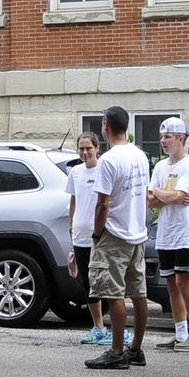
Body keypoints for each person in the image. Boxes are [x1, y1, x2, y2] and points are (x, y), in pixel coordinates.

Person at [84, 107, 150, 370]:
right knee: (139, 293)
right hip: (137, 231)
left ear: (105, 126)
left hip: (115, 232)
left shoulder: (109, 160)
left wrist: (97, 233)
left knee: (114, 294)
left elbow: (103, 204)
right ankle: (136, 348)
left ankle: (116, 351)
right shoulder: (140, 155)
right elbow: (143, 193)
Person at [149, 117, 189, 351]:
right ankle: (181, 333)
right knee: (171, 284)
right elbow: (152, 200)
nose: (163, 141)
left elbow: (176, 195)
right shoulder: (161, 167)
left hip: (185, 233)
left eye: (168, 137)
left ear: (181, 139)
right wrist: (166, 195)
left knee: (184, 282)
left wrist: (161, 194)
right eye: (162, 137)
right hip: (166, 233)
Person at [64, 134, 109, 345]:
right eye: (81, 149)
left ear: (97, 148)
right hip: (80, 234)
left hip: (99, 235)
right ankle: (97, 326)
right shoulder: (75, 172)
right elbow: (74, 200)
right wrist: (71, 224)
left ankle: (111, 327)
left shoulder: (104, 169)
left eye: (89, 148)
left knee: (103, 281)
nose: (85, 153)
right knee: (87, 282)